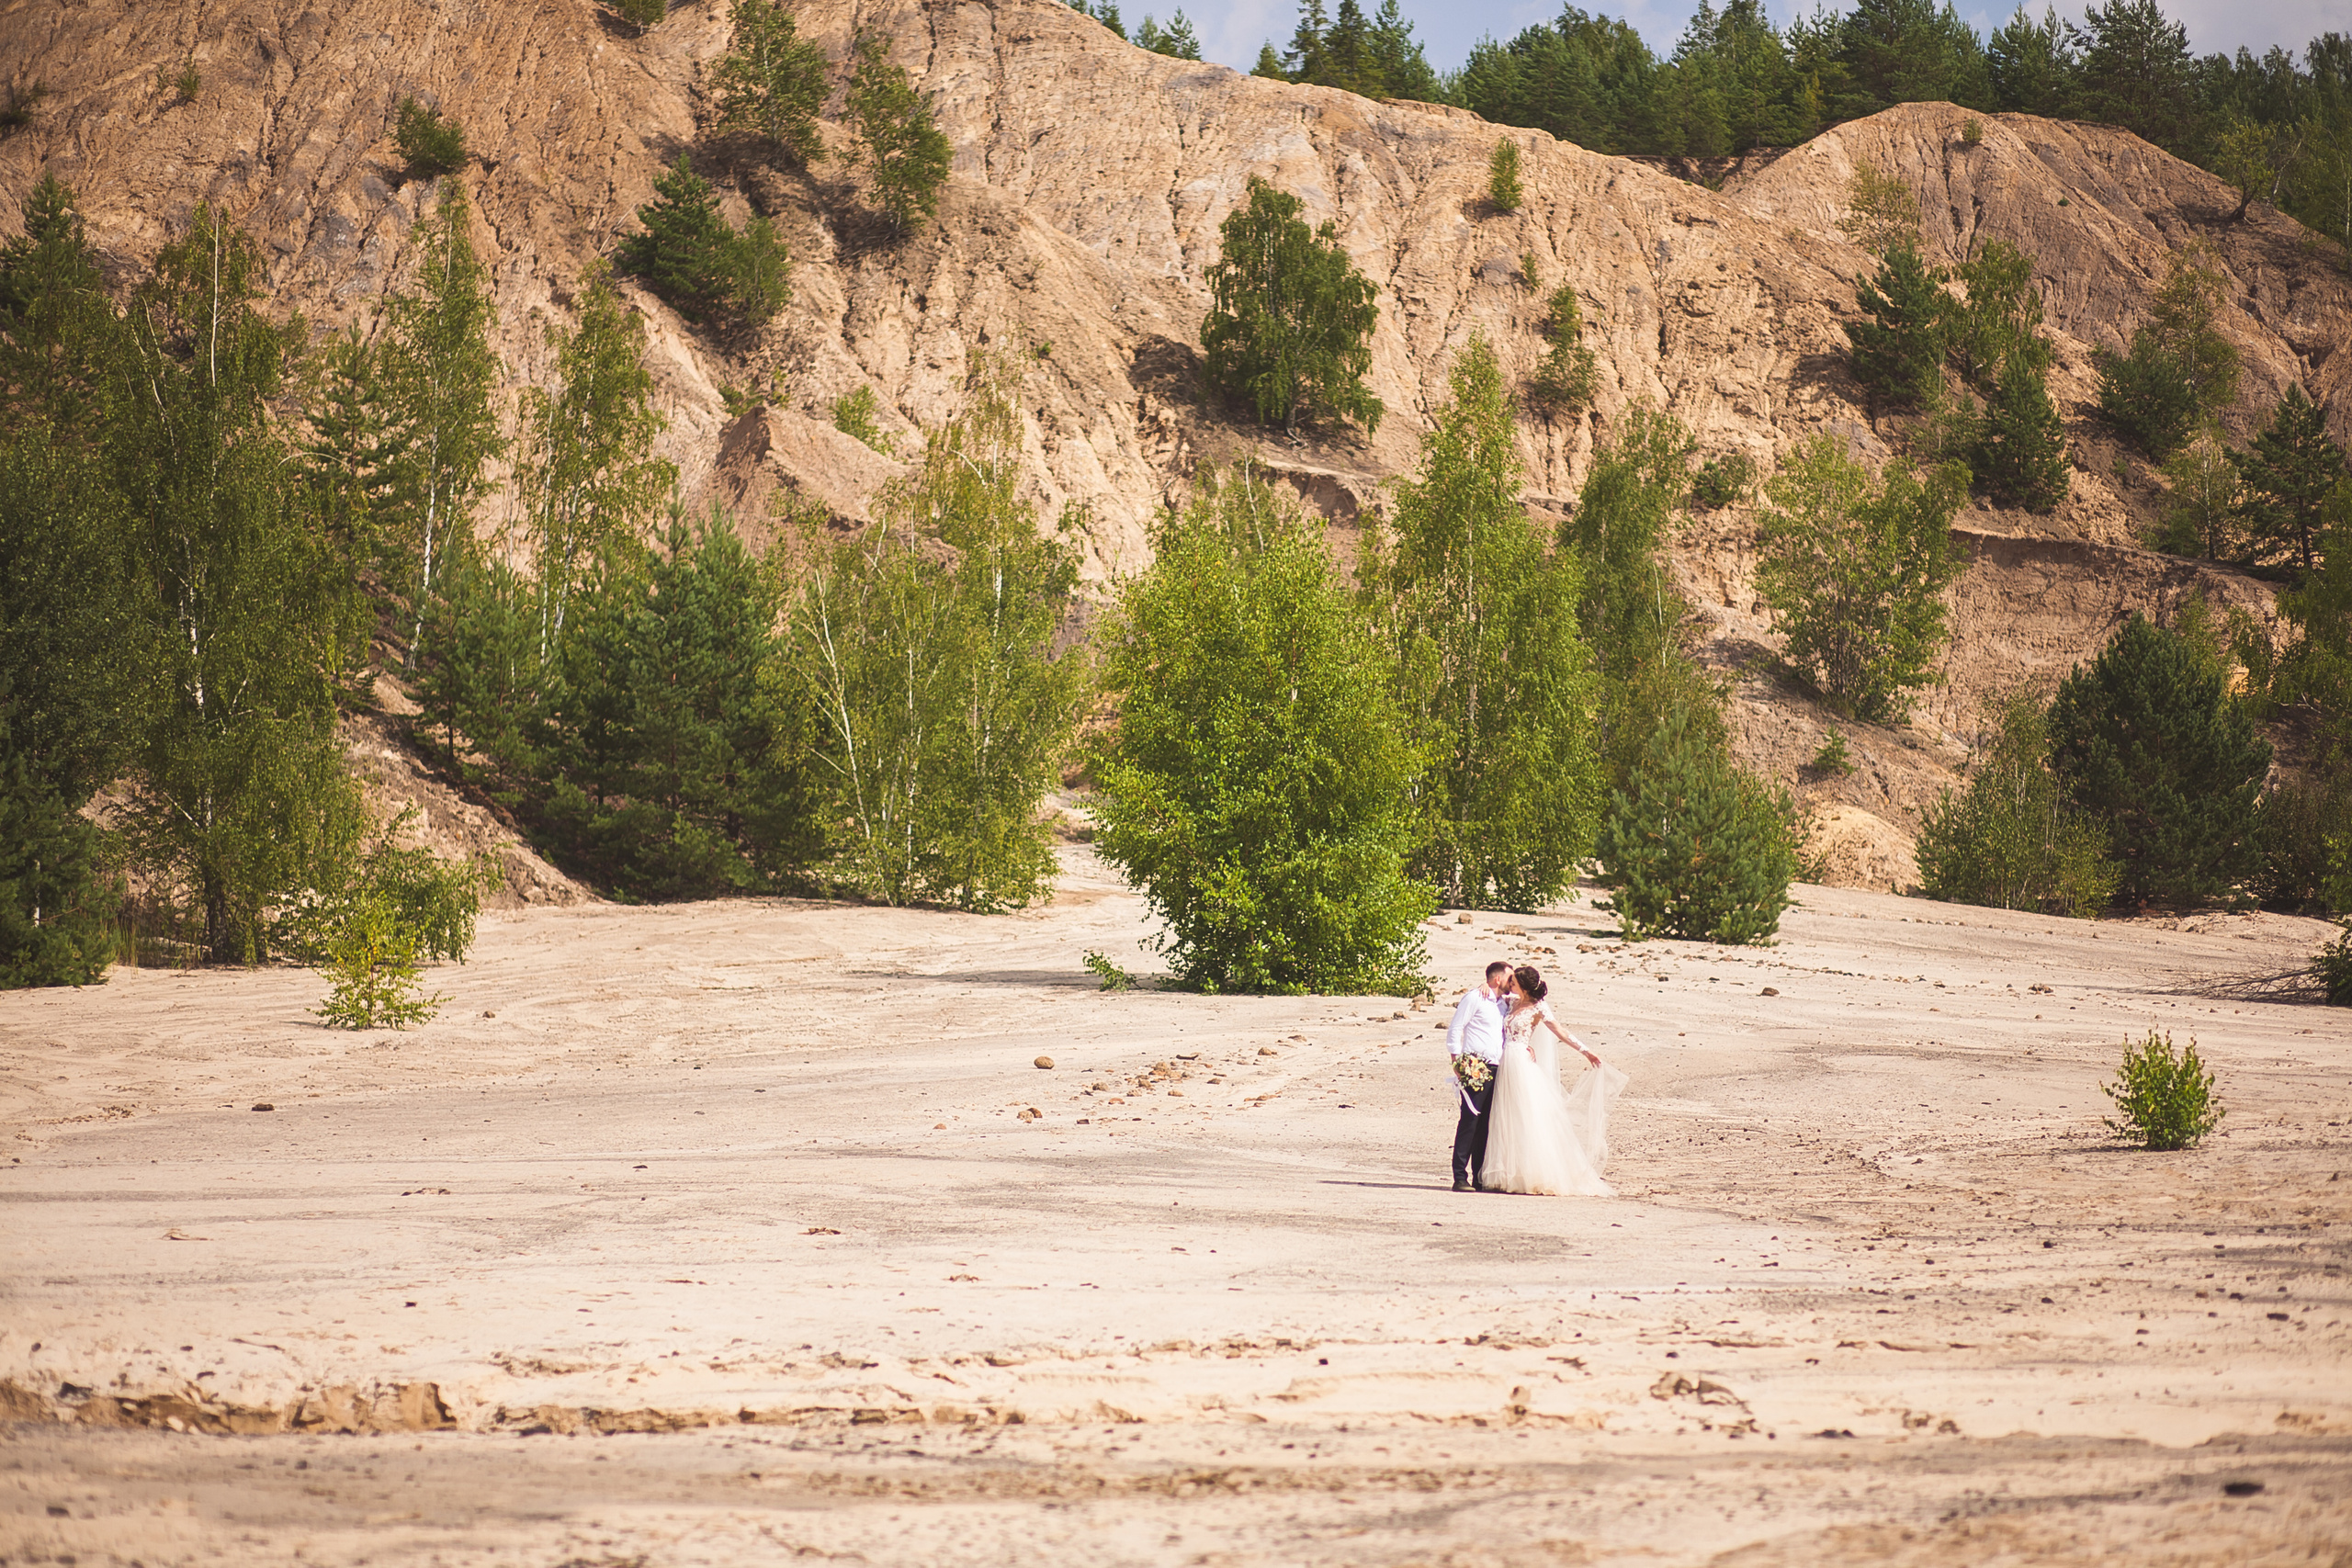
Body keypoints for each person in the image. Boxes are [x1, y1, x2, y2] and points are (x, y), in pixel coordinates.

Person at [1481, 964, 1625, 1196]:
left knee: (1527, 1117)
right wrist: (1483, 984)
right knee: (1505, 1118)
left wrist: (1586, 1051)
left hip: (1520, 1065)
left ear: (1523, 985)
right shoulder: (1511, 1002)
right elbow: (1492, 994)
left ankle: (1534, 1174)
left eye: (1514, 981)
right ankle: (1510, 1173)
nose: (1510, 984)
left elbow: (1560, 1032)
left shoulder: (1538, 1007)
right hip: (1505, 1061)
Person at [1444, 961, 1512, 1191]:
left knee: (1486, 1124)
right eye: (1509, 977)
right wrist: (1456, 1060)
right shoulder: (1475, 998)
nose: (1512, 982)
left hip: (1497, 1067)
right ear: (1497, 979)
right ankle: (1459, 1176)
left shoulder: (1504, 1003)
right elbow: (1456, 1027)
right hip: (1476, 1065)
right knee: (1470, 1121)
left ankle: (1479, 1176)